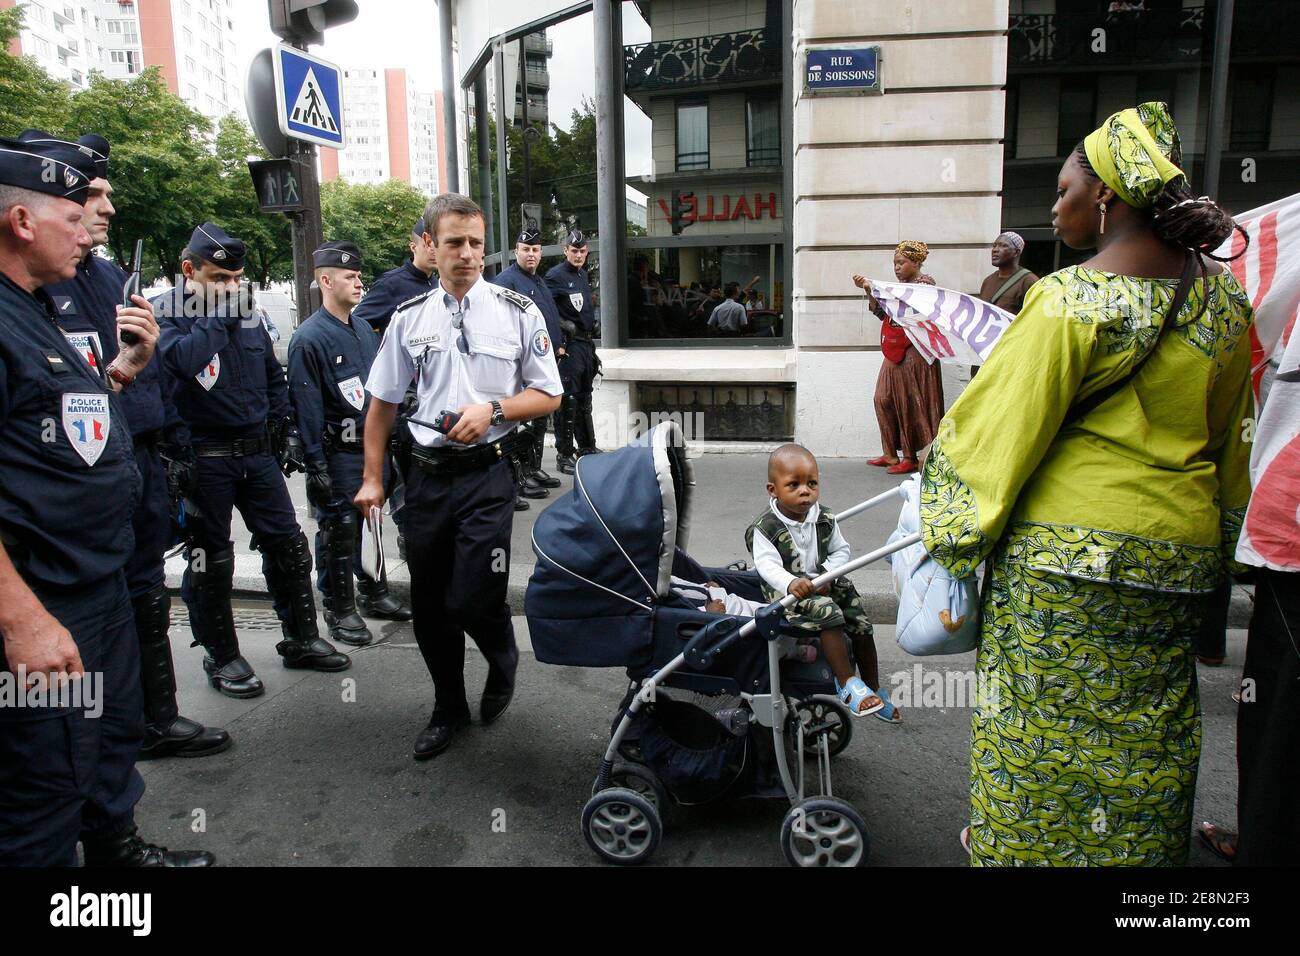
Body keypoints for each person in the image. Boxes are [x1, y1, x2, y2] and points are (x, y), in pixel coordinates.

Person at [918, 102, 1253, 866]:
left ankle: (1022, 850)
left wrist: (952, 529)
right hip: (1179, 558)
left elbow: (994, 438)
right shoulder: (1225, 302)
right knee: (1151, 729)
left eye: (1064, 187)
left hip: (1063, 569)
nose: (1054, 204)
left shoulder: (1071, 300)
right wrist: (1224, 546)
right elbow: (1234, 438)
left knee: (1035, 732)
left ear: (1103, 195)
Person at [0, 134, 212, 865]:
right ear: (23, 222)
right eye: (73, 212)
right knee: (41, 782)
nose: (90, 225)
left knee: (106, 735)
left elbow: (55, 419)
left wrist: (121, 372)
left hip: (98, 581)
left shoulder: (35, 309)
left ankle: (117, 859)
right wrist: (21, 620)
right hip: (41, 595)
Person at [39, 132, 229, 759]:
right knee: (84, 618)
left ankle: (152, 721)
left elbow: (135, 377)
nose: (104, 209)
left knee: (145, 589)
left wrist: (168, 450)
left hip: (135, 458)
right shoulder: (33, 285)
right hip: (69, 481)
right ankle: (87, 755)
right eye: (89, 195)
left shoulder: (105, 275)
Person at [356, 193, 563, 760]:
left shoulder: (519, 311)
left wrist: (493, 412)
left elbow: (550, 393)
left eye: (476, 242)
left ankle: (502, 656)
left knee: (474, 597)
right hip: (423, 480)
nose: (468, 254)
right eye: (454, 243)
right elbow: (380, 405)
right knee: (430, 605)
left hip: (487, 477)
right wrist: (373, 478)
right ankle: (447, 705)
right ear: (430, 245)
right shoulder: (407, 319)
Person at [155, 223, 351, 698]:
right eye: (219, 277)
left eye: (236, 278)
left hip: (256, 453)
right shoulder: (164, 313)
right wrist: (221, 314)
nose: (230, 287)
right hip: (203, 457)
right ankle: (221, 655)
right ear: (189, 270)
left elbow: (269, 373)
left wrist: (283, 427)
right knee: (210, 560)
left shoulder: (248, 316)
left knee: (287, 545)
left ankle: (301, 637)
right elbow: (180, 363)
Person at [287, 240, 412, 649]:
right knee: (339, 531)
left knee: (372, 523)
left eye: (359, 276)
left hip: (371, 447)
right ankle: (339, 608)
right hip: (338, 453)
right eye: (350, 277)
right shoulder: (309, 338)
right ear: (326, 280)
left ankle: (373, 591)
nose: (360, 283)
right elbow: (305, 407)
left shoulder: (361, 328)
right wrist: (315, 465)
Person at [745, 445, 898, 721]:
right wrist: (791, 582)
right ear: (773, 490)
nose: (805, 491)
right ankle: (848, 683)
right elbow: (766, 565)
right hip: (787, 594)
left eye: (811, 483)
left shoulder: (824, 517)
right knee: (830, 614)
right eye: (794, 485)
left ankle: (873, 687)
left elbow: (841, 549)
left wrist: (827, 572)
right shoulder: (765, 527)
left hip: (824, 581)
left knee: (861, 623)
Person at [852, 240, 945, 475]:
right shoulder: (899, 288)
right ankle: (890, 454)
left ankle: (910, 457)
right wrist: (869, 290)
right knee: (882, 398)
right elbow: (882, 313)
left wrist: (882, 290)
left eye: (901, 262)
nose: (896, 267)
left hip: (915, 352)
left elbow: (921, 316)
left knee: (907, 403)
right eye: (895, 263)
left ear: (916, 263)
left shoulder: (924, 286)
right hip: (894, 349)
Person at [491, 227, 566, 503]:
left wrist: (558, 344)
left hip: (544, 361)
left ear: (541, 253)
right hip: (521, 366)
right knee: (519, 424)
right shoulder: (506, 281)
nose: (531, 254)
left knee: (537, 422)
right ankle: (519, 477)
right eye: (526, 249)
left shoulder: (538, 280)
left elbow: (546, 319)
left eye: (535, 250)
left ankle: (533, 468)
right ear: (516, 251)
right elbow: (498, 325)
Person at [545, 229, 601, 473]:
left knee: (584, 398)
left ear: (586, 252)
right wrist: (560, 335)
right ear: (565, 250)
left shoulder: (582, 275)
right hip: (569, 346)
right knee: (567, 400)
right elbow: (545, 309)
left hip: (586, 346)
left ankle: (587, 447)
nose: (578, 255)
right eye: (574, 250)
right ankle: (564, 454)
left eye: (582, 251)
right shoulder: (555, 276)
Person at [352, 216, 438, 337]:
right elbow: (356, 326)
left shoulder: (439, 284)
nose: (434, 251)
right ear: (413, 247)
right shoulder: (390, 284)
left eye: (437, 246)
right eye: (428, 246)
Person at [977, 232, 1037, 315]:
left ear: (1016, 252)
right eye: (994, 245)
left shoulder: (1029, 281)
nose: (995, 250)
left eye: (1003, 246)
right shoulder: (988, 280)